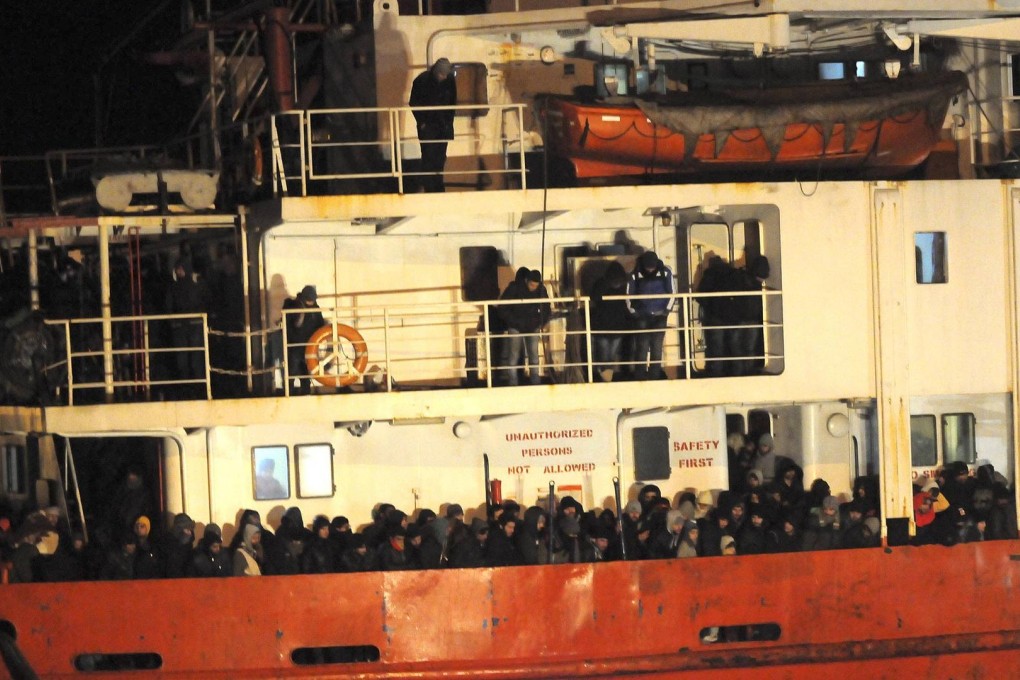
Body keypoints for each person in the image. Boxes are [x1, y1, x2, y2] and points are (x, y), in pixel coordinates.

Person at [164, 256, 211, 398]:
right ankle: (188, 386)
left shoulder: (195, 284)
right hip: (183, 326)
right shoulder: (175, 286)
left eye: (180, 268)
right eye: (177, 269)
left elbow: (206, 299)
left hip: (193, 325)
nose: (178, 272)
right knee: (183, 358)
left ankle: (198, 385)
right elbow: (169, 305)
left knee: (195, 358)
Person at [409, 57, 457, 192]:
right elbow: (414, 102)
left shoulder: (449, 81)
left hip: (442, 126)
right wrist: (422, 122)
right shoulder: (421, 81)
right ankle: (430, 188)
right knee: (428, 157)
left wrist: (448, 123)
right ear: (436, 71)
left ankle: (438, 187)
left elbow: (453, 104)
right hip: (429, 127)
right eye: (442, 74)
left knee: (440, 158)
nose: (443, 77)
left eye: (445, 74)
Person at [626, 251, 674, 381]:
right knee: (642, 347)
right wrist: (634, 312)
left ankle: (654, 375)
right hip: (642, 316)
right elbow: (629, 296)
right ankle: (640, 376)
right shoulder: (635, 274)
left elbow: (672, 293)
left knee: (656, 347)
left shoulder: (665, 272)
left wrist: (666, 311)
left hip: (659, 315)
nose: (650, 269)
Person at [498, 268, 550, 386]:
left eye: (536, 285)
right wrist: (515, 322)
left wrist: (540, 322)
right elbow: (503, 308)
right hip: (517, 326)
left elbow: (546, 308)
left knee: (533, 354)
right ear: (526, 281)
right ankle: (514, 382)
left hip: (530, 326)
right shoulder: (514, 289)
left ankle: (533, 380)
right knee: (515, 355)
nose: (534, 287)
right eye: (532, 285)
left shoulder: (541, 290)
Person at [589, 261, 631, 381]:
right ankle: (606, 377)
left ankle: (606, 378)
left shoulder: (621, 286)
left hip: (613, 326)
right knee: (605, 355)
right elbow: (594, 296)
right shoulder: (602, 284)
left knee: (609, 355)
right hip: (606, 326)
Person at [282, 285, 326, 395]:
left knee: (305, 374)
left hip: (309, 346)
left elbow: (320, 325)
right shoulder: (293, 307)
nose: (311, 302)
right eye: (310, 299)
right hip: (294, 345)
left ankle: (305, 393)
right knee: (291, 372)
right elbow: (288, 326)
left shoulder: (316, 309)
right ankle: (288, 392)